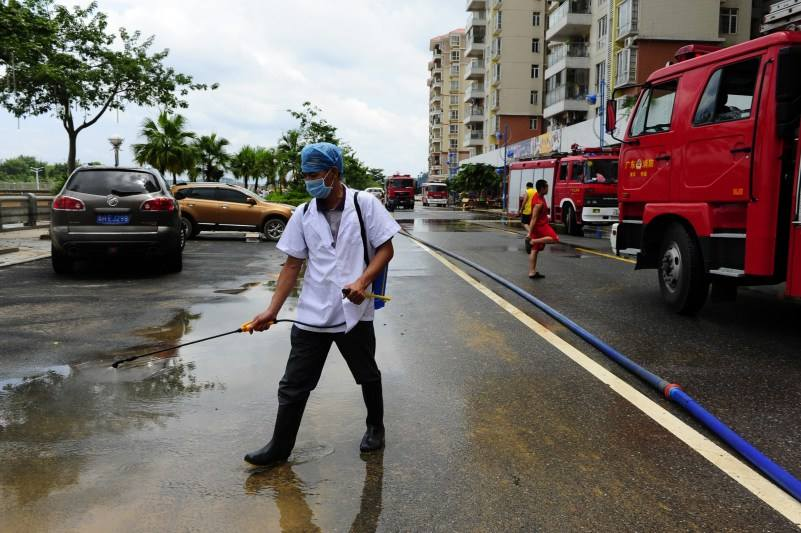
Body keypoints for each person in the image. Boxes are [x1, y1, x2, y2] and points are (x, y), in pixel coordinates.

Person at [244, 142, 400, 466]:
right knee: (293, 383)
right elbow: (292, 265)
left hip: (354, 311)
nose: (308, 180)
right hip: (312, 313)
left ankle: (376, 427)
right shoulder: (302, 213)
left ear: (332, 172)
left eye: (313, 174)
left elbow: (386, 249)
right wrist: (271, 311)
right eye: (305, 174)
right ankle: (279, 447)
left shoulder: (364, 204)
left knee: (367, 373)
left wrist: (362, 282)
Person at [528, 179, 559, 279]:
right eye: (547, 187)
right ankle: (534, 241)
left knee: (535, 249)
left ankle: (532, 272)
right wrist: (530, 233)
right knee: (555, 239)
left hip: (539, 225)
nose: (548, 189)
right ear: (542, 188)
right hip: (541, 226)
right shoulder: (539, 202)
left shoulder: (538, 195)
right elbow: (534, 217)